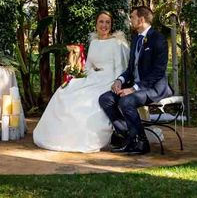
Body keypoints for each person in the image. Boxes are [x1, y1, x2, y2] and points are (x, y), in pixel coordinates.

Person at [33, 11, 130, 153]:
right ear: (96, 24)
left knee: (89, 101)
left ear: (111, 25)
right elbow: (88, 66)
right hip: (93, 78)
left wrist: (116, 82)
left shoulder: (116, 43)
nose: (104, 25)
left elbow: (120, 67)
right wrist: (87, 77)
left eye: (107, 22)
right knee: (65, 90)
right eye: (101, 22)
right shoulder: (94, 42)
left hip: (109, 80)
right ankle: (58, 135)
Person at [99, 6, 172, 155]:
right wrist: (120, 80)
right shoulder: (136, 39)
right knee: (105, 99)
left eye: (132, 17)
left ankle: (141, 142)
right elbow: (131, 69)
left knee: (126, 101)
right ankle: (128, 137)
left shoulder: (158, 39)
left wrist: (134, 89)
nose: (130, 20)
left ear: (141, 19)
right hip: (136, 86)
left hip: (154, 87)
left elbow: (158, 72)